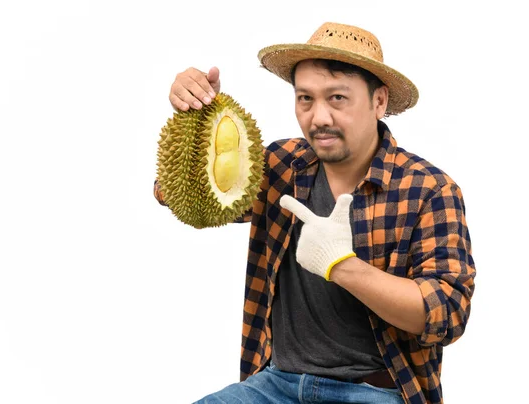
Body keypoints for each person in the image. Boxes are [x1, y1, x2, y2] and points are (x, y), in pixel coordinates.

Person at [153, 21, 476, 404]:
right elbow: (182, 198)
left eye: (337, 98)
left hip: (374, 391)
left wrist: (342, 265)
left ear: (379, 101)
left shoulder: (428, 189)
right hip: (274, 385)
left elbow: (448, 313)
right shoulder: (281, 165)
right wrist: (196, 114)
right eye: (305, 98)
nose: (318, 117)